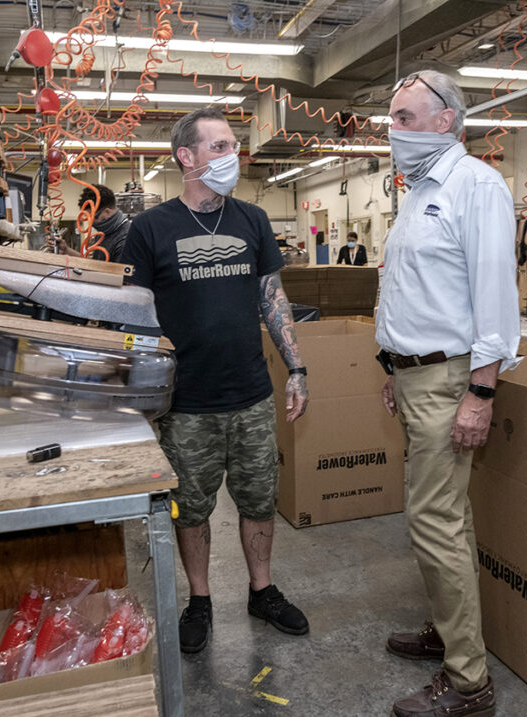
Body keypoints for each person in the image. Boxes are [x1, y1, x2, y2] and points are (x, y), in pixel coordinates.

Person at [120, 107, 310, 654]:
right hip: (185, 402)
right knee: (192, 507)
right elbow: (133, 316)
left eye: (233, 145)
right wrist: (138, 394)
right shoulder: (151, 229)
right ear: (187, 157)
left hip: (251, 394)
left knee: (258, 499)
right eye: (221, 147)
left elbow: (272, 300)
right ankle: (199, 599)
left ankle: (262, 589)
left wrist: (295, 368)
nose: (234, 156)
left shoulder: (252, 220)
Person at [374, 69, 520, 717]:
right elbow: (411, 289)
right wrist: (392, 365)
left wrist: (480, 393)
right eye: (391, 117)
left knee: (433, 522)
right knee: (450, 522)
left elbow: (495, 300)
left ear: (445, 120)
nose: (392, 129)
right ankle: (450, 630)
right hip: (413, 376)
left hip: (449, 379)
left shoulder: (476, 187)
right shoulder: (418, 192)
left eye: (404, 117)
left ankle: (469, 684)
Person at [46, 184, 131, 262]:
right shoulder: (104, 232)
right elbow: (94, 264)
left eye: (92, 217)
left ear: (107, 212)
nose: (90, 222)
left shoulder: (125, 239)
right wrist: (66, 250)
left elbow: (116, 276)